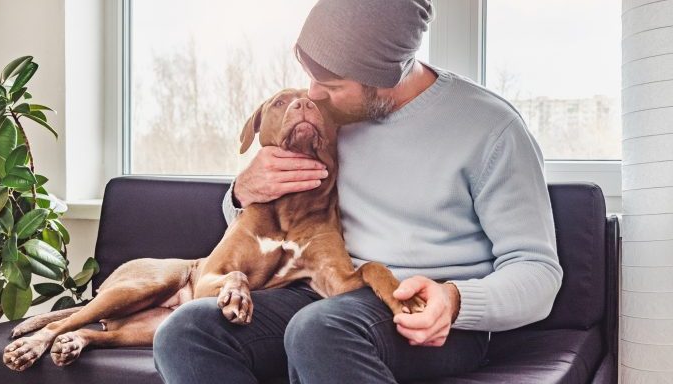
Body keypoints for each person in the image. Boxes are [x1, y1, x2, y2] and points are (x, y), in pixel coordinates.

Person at [153, 0, 563, 383]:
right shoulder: (323, 118)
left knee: (318, 331)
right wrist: (241, 192)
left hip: (429, 316)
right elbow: (270, 227)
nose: (312, 94)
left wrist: (455, 301)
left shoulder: (491, 129)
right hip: (321, 291)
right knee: (187, 329)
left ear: (385, 79)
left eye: (329, 84)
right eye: (311, 77)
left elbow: (538, 272)